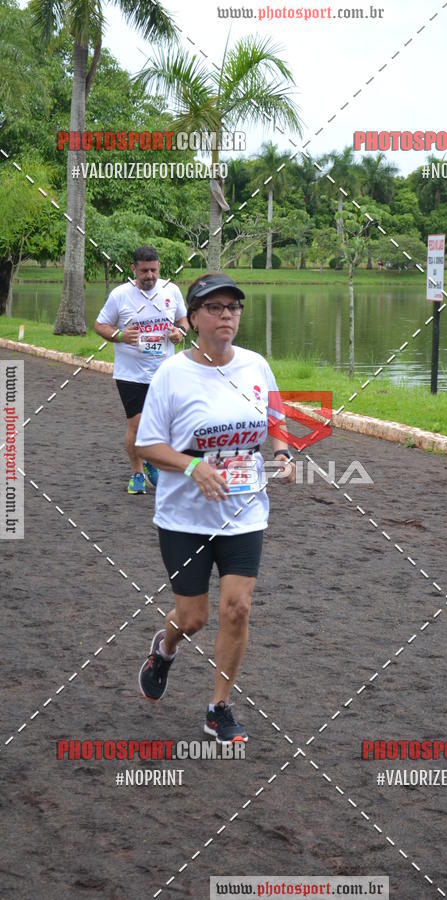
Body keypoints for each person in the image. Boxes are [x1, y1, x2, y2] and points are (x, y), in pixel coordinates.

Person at [135, 273, 295, 743]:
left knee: (237, 609)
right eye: (215, 307)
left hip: (245, 511)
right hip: (184, 517)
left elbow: (276, 417)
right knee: (194, 618)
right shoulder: (172, 374)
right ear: (193, 318)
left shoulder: (254, 366)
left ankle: (217, 708)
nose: (226, 315)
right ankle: (164, 650)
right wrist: (192, 468)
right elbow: (148, 445)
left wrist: (282, 452)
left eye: (233, 307)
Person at [94, 246, 188, 494]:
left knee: (164, 425)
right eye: (144, 270)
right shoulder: (120, 295)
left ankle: (153, 462)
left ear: (159, 268)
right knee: (136, 424)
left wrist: (181, 333)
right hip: (131, 373)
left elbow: (184, 320)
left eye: (154, 270)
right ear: (133, 269)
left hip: (164, 371)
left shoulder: (171, 291)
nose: (149, 275)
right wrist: (120, 335)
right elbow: (100, 325)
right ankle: (137, 472)